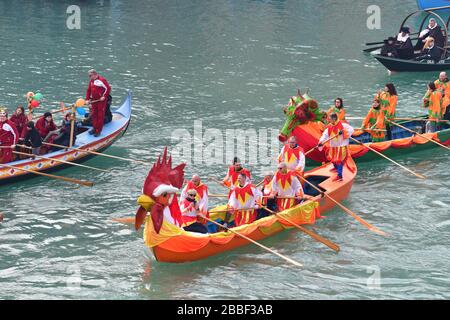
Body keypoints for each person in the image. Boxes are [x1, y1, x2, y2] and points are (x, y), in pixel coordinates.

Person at [318, 113, 355, 182]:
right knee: (332, 158)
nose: (329, 120)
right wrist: (321, 142)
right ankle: (336, 168)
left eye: (330, 119)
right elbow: (324, 135)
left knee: (339, 160)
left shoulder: (343, 125)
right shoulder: (329, 127)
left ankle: (340, 176)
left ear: (334, 119)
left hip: (342, 146)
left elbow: (352, 130)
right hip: (333, 146)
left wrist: (343, 132)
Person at [85, 69, 111, 137]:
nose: (89, 77)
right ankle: (94, 128)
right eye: (89, 76)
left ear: (95, 74)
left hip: (101, 101)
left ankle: (98, 131)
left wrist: (104, 96)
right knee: (94, 114)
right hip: (94, 101)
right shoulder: (91, 81)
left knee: (100, 116)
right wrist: (87, 99)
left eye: (90, 75)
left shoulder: (102, 80)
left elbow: (108, 88)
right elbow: (88, 90)